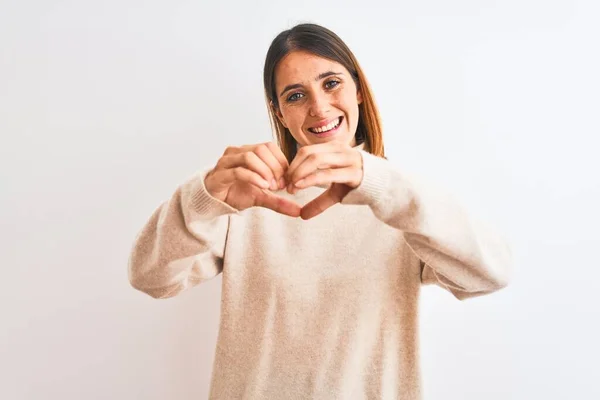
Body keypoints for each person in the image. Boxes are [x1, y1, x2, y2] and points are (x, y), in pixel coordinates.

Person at [128, 23, 512, 400]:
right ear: (279, 113)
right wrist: (202, 199)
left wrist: (382, 185)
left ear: (358, 90)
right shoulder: (247, 195)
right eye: (295, 96)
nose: (319, 107)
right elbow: (152, 278)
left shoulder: (399, 202)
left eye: (331, 83)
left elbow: (489, 274)